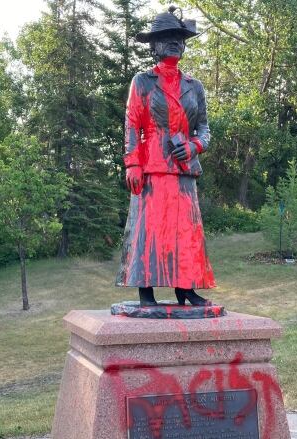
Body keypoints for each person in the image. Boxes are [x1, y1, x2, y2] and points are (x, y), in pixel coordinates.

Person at [115, 6, 215, 307]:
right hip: (153, 166)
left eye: (178, 37)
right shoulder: (142, 82)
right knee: (150, 228)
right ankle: (145, 291)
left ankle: (186, 287)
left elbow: (205, 128)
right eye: (166, 37)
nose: (173, 42)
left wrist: (195, 145)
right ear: (154, 45)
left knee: (186, 229)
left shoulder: (194, 86)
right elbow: (132, 122)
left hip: (183, 167)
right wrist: (132, 162)